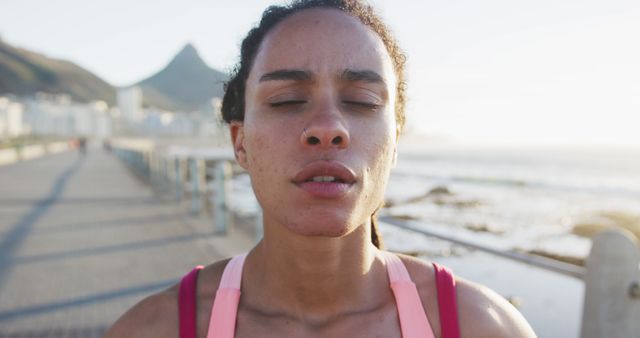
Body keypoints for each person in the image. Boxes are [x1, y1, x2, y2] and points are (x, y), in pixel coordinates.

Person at [105, 1, 537, 337]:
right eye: (287, 101)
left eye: (363, 101)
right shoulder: (154, 329)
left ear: (395, 142)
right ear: (240, 142)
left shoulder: (483, 327)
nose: (328, 128)